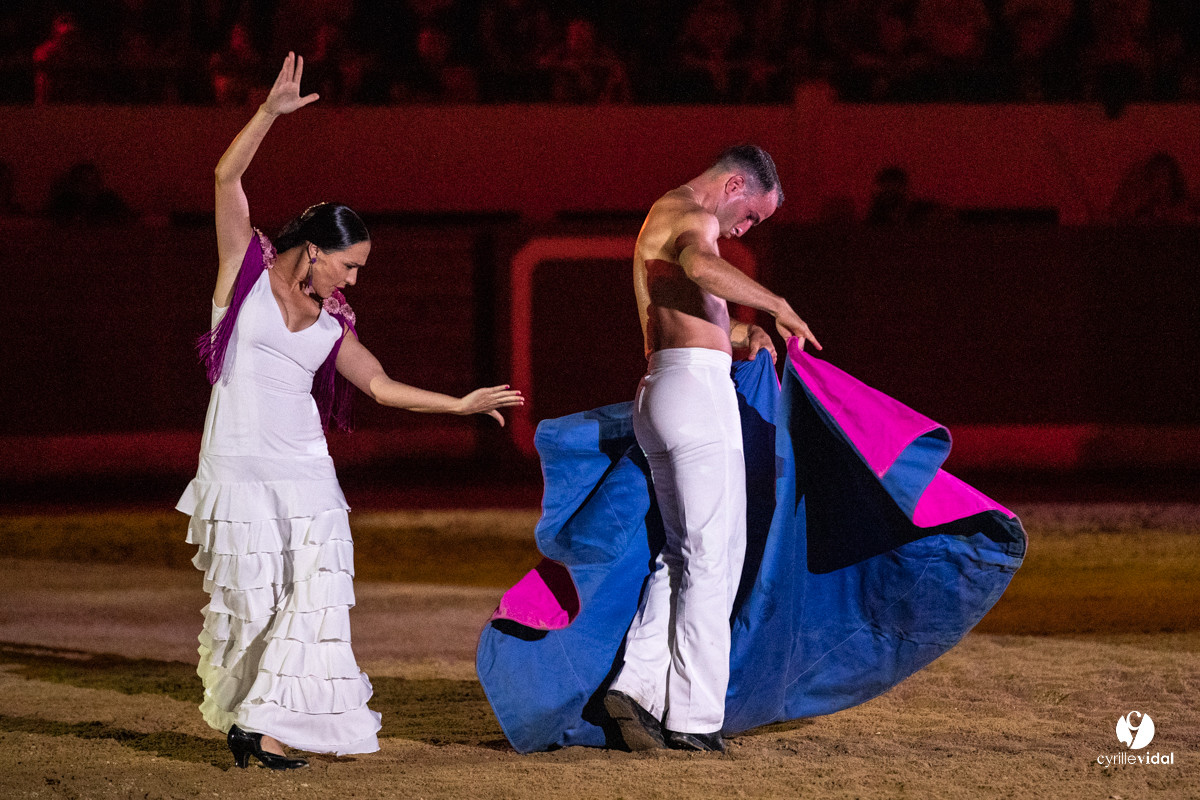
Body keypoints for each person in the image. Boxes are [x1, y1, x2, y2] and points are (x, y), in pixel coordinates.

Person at [176, 52, 523, 770]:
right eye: (350, 263)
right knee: (255, 604)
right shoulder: (242, 273)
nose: (355, 277)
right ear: (312, 251)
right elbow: (225, 179)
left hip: (306, 473)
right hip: (236, 472)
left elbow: (382, 386)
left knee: (318, 596)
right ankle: (253, 720)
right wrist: (269, 114)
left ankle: (265, 730)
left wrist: (457, 403)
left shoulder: (335, 322)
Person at [603, 145, 820, 753]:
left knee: (684, 553)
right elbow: (700, 266)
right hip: (694, 394)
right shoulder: (693, 216)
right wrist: (774, 305)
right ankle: (694, 718)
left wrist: (742, 334)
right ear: (731, 186)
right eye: (749, 215)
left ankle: (637, 688)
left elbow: (685, 307)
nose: (743, 229)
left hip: (668, 384)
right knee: (713, 556)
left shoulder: (665, 215)